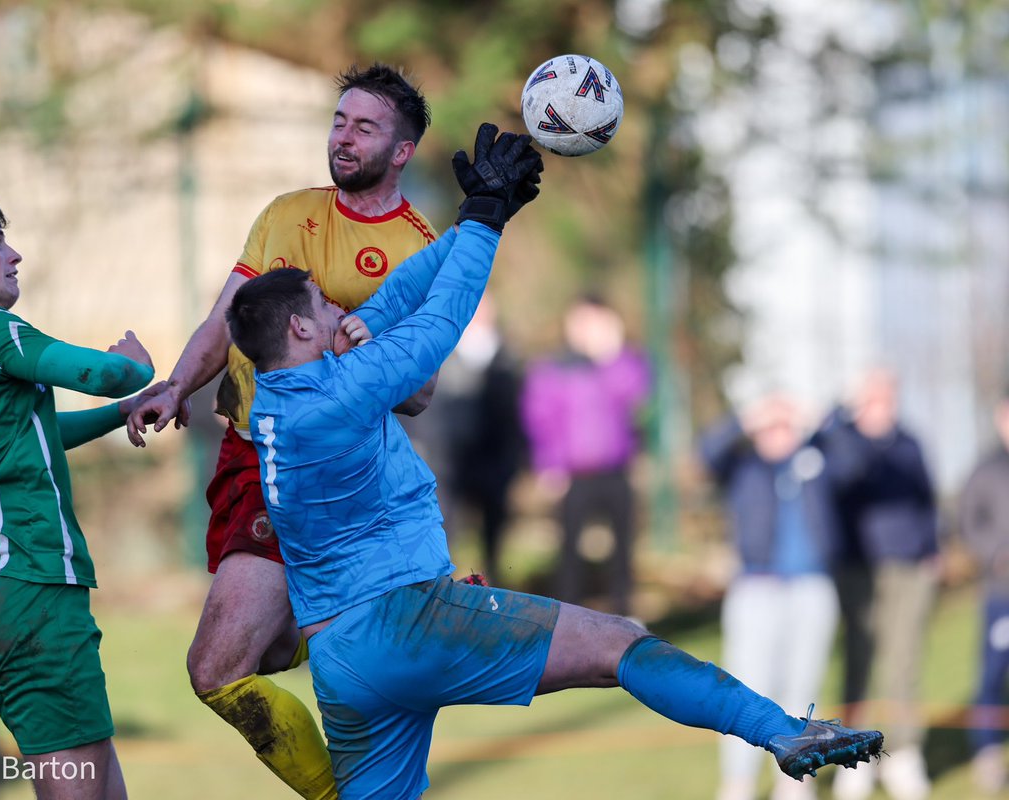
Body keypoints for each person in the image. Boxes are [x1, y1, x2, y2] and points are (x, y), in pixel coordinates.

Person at [227, 122, 882, 799]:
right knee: (618, 643)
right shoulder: (342, 392)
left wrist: (485, 214)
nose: (341, 307)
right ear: (301, 329)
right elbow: (436, 324)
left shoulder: (280, 399)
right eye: (324, 303)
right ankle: (779, 730)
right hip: (405, 623)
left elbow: (393, 299)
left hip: (341, 661)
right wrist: (482, 224)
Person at [125, 64, 437, 799]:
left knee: (216, 668)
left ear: (401, 151)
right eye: (338, 120)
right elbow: (223, 319)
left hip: (314, 466)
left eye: (364, 127)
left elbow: (419, 393)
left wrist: (346, 340)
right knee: (260, 652)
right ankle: (374, 609)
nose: (343, 136)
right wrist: (175, 384)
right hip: (245, 453)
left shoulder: (417, 246)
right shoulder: (286, 214)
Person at [0, 196, 158, 800]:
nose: (14, 253)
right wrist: (133, 371)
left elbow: (34, 437)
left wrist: (120, 412)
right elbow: (101, 371)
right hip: (34, 588)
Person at [699, 394, 843, 800]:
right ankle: (738, 784)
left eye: (785, 426)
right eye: (771, 427)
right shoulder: (743, 467)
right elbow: (707, 451)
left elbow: (857, 462)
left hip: (812, 588)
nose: (778, 434)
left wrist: (814, 420)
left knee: (803, 687)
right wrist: (749, 417)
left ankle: (792, 782)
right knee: (744, 690)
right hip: (755, 589)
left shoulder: (819, 462)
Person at [819, 368, 939, 800]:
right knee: (858, 663)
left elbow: (927, 499)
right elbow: (838, 473)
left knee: (903, 663)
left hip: (909, 567)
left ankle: (905, 756)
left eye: (889, 395)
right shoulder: (842, 438)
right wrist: (842, 413)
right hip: (858, 569)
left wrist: (930, 552)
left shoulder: (909, 442)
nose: (882, 403)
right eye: (873, 395)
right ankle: (855, 757)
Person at [521, 295, 650, 613]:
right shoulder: (554, 368)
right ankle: (566, 620)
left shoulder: (623, 364)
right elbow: (540, 418)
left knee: (623, 552)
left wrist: (611, 356)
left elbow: (635, 395)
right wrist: (550, 464)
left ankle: (625, 620)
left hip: (616, 469)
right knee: (569, 553)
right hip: (573, 474)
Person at [433, 295, 525, 584]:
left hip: (495, 460)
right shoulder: (445, 351)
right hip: (450, 462)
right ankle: (444, 592)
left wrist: (515, 460)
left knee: (494, 534)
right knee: (447, 531)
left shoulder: (507, 356)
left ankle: (495, 589)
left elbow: (518, 412)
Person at [960, 392, 1009, 794]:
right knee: (992, 676)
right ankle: (987, 753)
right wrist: (995, 554)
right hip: (1001, 593)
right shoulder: (985, 469)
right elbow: (966, 522)